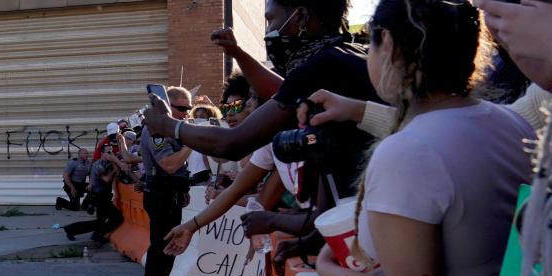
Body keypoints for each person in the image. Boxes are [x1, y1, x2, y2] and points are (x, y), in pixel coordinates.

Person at [310, 0, 534, 276]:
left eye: (372, 45)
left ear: (391, 46)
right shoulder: (509, 122)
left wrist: (328, 268)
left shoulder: (408, 152)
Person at [144, 0, 381, 262]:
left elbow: (232, 145)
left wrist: (168, 126)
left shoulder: (321, 67)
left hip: (369, 236)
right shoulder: (347, 55)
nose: (269, 30)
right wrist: (238, 53)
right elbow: (284, 90)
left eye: (271, 20)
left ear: (300, 15)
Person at [136, 86, 194, 276]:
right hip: (162, 192)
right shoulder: (157, 131)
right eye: (181, 108)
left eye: (188, 108)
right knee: (163, 246)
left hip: (170, 191)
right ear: (168, 107)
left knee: (163, 246)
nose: (186, 113)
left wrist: (183, 188)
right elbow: (169, 164)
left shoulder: (170, 130)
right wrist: (191, 143)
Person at [63, 157, 122, 243]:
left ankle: (73, 229)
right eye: (108, 152)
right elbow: (107, 179)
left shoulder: (105, 163)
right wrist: (115, 166)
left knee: (101, 221)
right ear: (102, 153)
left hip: (103, 196)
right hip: (100, 197)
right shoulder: (99, 165)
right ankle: (94, 233)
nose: (111, 154)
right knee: (117, 218)